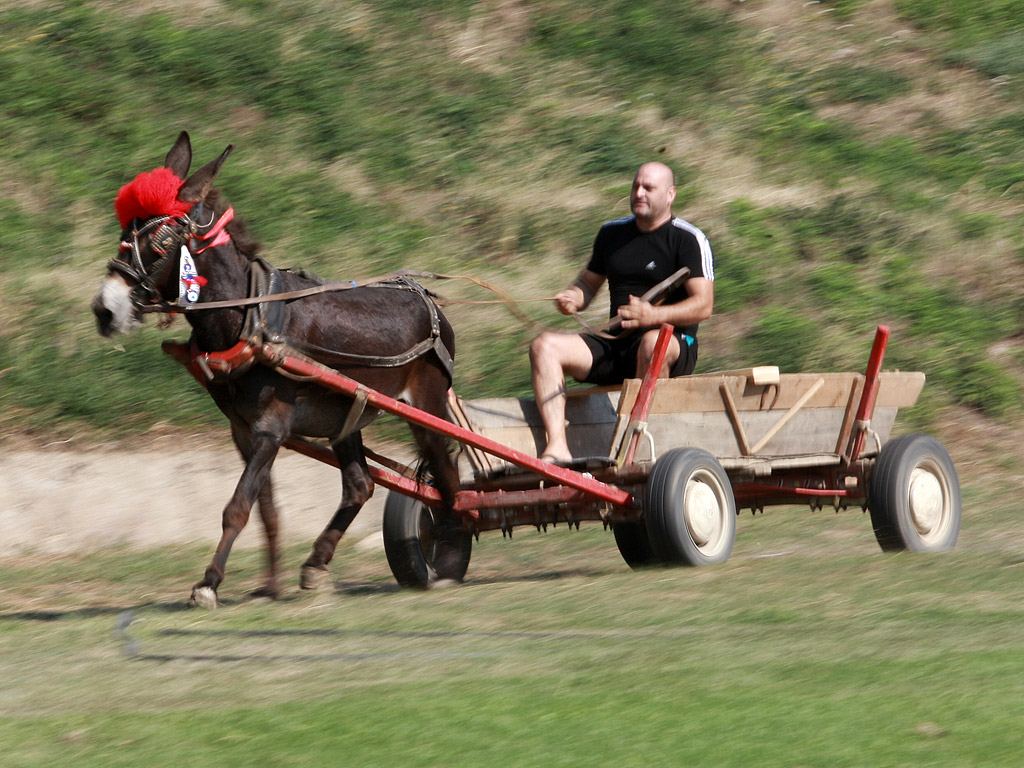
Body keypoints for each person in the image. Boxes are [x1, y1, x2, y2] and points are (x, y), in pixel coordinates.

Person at [529, 161, 714, 464]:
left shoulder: (688, 239)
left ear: (670, 195)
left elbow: (703, 305)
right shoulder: (611, 234)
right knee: (543, 346)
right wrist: (573, 297)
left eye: (648, 188)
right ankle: (558, 446)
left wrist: (652, 316)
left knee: (652, 342)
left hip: (671, 343)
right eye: (636, 186)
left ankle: (638, 448)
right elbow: (588, 284)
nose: (639, 193)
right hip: (616, 344)